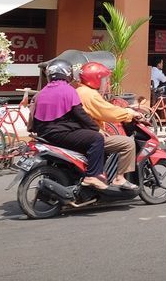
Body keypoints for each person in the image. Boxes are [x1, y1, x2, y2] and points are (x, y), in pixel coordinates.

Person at [31, 59, 109, 189]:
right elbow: (80, 114)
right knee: (96, 139)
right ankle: (92, 176)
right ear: (68, 74)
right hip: (61, 134)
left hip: (44, 134)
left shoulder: (42, 92)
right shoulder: (68, 90)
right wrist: (96, 128)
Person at [74, 62, 139, 192]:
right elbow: (108, 112)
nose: (106, 83)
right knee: (128, 143)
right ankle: (119, 178)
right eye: (103, 79)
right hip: (90, 136)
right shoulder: (90, 95)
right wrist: (130, 113)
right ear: (95, 79)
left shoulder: (79, 90)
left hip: (80, 133)